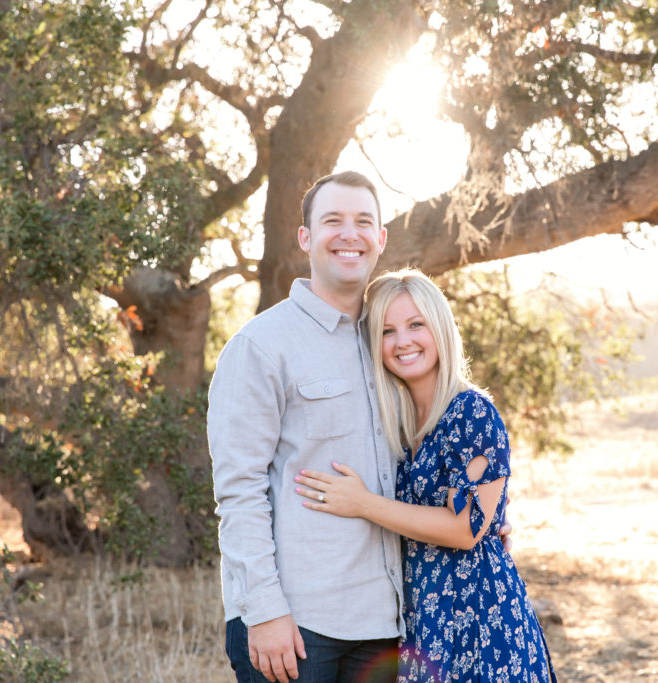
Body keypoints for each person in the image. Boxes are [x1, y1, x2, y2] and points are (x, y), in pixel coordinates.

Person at [293, 270, 557, 682]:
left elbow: (465, 528)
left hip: (479, 619)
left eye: (416, 324)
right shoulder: (396, 424)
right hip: (423, 620)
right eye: (387, 331)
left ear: (440, 328)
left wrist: (363, 504)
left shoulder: (471, 412)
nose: (403, 341)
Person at [207, 171, 403, 683]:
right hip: (296, 624)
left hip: (387, 620)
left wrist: (479, 517)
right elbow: (239, 489)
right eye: (332, 220)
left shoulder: (396, 343)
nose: (349, 234)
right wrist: (264, 609)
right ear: (305, 237)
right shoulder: (260, 346)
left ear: (381, 238)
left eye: (364, 222)